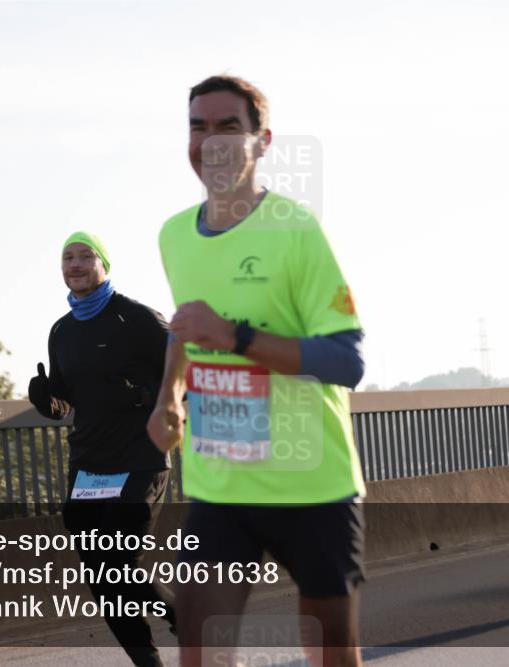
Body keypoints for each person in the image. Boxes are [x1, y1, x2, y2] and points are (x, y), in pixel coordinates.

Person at [147, 75, 367, 667]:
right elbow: (188, 329)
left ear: (262, 140)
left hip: (310, 484)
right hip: (221, 486)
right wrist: (167, 395)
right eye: (198, 127)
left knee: (331, 654)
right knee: (200, 649)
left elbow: (347, 360)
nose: (210, 142)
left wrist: (236, 337)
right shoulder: (173, 236)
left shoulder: (295, 230)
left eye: (228, 127)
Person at [28, 231, 176, 667]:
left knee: (117, 556)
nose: (75, 264)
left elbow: (189, 374)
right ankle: (147, 661)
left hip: (140, 457)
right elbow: (67, 401)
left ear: (104, 265)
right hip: (90, 464)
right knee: (100, 572)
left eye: (85, 255)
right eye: (67, 257)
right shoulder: (62, 331)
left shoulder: (139, 319)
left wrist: (142, 393)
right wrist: (46, 400)